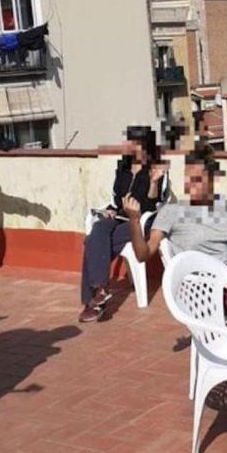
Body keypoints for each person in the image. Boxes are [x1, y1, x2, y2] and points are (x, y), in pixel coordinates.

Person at [123, 144, 227, 349]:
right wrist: (134, 221)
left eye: (200, 178)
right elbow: (144, 254)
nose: (194, 184)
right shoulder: (172, 211)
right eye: (191, 177)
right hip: (205, 286)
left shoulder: (221, 206)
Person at [79, 126, 170, 323]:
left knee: (91, 243)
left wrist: (154, 182)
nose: (127, 147)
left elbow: (155, 203)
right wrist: (110, 209)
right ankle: (101, 290)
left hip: (141, 220)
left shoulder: (156, 168)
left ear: (144, 147)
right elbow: (116, 197)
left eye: (133, 143)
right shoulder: (123, 168)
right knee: (98, 228)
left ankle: (94, 301)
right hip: (120, 216)